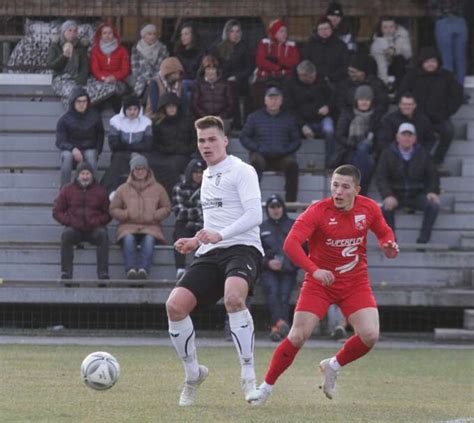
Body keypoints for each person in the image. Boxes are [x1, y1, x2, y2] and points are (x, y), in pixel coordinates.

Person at [247, 164, 399, 405]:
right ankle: (265, 388)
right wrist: (314, 270)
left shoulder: (368, 207)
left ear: (356, 190)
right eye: (335, 185)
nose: (338, 191)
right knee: (297, 336)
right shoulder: (317, 211)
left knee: (370, 335)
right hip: (319, 284)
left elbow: (384, 232)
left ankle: (333, 365)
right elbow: (291, 245)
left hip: (354, 283)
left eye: (345, 187)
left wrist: (389, 244)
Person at [166, 116, 264, 406]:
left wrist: (220, 235)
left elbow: (254, 216)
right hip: (212, 251)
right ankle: (193, 374)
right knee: (174, 306)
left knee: (234, 298)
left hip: (243, 247)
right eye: (201, 140)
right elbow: (215, 221)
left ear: (224, 141)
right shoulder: (207, 175)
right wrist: (196, 241)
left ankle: (248, 377)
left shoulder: (242, 170)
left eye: (211, 139)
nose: (206, 145)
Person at [398, 47, 463, 167]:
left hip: (440, 117)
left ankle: (436, 162)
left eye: (433, 61)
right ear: (422, 62)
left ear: (438, 62)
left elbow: (458, 96)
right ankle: (416, 163)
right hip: (416, 117)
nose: (430, 64)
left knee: (449, 132)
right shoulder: (412, 76)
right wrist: (409, 111)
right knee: (416, 137)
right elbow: (402, 94)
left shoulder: (446, 77)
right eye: (427, 61)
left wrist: (447, 112)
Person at [376, 123, 440, 244]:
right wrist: (388, 195)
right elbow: (381, 177)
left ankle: (423, 241)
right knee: (384, 209)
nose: (407, 138)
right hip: (396, 194)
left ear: (414, 138)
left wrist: (432, 191)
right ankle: (391, 242)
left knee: (433, 206)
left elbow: (432, 175)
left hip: (416, 195)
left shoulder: (423, 153)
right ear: (397, 137)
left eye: (410, 135)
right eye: (404, 135)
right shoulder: (387, 153)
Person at [109, 154, 171, 279]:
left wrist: (155, 215)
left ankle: (143, 269)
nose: (140, 172)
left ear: (147, 170)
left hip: (151, 227)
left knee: (149, 240)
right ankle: (131, 269)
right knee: (128, 239)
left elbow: (167, 207)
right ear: (132, 171)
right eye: (137, 169)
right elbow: (113, 209)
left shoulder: (158, 188)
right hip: (127, 226)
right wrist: (125, 214)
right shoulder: (122, 189)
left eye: (142, 169)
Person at [240, 86, 301, 202]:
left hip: (282, 156)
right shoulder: (254, 117)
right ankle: (251, 202)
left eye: (276, 98)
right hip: (261, 155)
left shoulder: (289, 118)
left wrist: (286, 149)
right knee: (254, 164)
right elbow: (244, 136)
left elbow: (296, 140)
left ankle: (291, 203)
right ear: (265, 100)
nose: (273, 101)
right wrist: (257, 148)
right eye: (271, 98)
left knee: (292, 165)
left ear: (281, 101)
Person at [53, 161, 111, 280]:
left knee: (103, 235)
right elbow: (57, 211)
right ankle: (66, 273)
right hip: (75, 228)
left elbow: (108, 213)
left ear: (92, 175)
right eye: (83, 173)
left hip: (94, 229)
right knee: (66, 235)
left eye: (88, 173)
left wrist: (98, 221)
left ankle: (103, 273)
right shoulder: (67, 189)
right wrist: (69, 221)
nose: (85, 176)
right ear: (78, 175)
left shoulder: (101, 191)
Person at [260, 194, 298, 342]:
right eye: (272, 207)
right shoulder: (261, 228)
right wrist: (268, 263)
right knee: (273, 292)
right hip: (268, 270)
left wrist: (291, 264)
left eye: (278, 206)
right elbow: (256, 252)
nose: (275, 210)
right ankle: (281, 324)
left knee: (284, 295)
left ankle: (277, 327)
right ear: (267, 209)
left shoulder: (293, 225)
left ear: (283, 208)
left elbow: (302, 248)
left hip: (289, 269)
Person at [283, 60, 335, 167]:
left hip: (322, 119)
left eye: (312, 76)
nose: (310, 79)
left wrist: (328, 107)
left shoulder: (322, 81)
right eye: (307, 77)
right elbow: (290, 110)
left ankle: (330, 163)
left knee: (329, 130)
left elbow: (334, 98)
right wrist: (302, 125)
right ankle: (292, 162)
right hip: (301, 120)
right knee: (290, 131)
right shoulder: (290, 85)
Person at [332, 85, 382, 195]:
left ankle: (357, 193)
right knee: (364, 158)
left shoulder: (376, 117)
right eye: (361, 99)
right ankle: (361, 193)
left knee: (366, 157)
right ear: (356, 101)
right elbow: (340, 135)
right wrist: (352, 144)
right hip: (349, 151)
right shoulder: (347, 114)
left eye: (367, 100)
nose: (364, 102)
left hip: (371, 151)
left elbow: (380, 138)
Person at [101, 96, 153, 195]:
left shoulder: (146, 122)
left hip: (140, 154)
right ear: (124, 109)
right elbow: (114, 145)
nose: (132, 112)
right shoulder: (116, 121)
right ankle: (112, 191)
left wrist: (127, 146)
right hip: (121, 155)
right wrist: (134, 146)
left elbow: (148, 145)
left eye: (135, 109)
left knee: (142, 161)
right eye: (129, 109)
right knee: (119, 160)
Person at [149, 92, 197, 196]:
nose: (171, 109)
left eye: (173, 106)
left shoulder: (188, 120)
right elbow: (155, 143)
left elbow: (195, 141)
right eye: (168, 106)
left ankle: (172, 195)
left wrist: (184, 150)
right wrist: (166, 150)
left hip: (183, 155)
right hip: (164, 154)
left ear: (177, 107)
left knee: (171, 166)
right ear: (164, 108)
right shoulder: (158, 123)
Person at [56, 87, 104, 187]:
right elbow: (60, 141)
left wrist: (98, 151)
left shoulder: (95, 117)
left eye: (84, 101)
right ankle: (64, 190)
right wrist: (73, 149)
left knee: (91, 154)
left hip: (89, 149)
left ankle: (96, 189)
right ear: (73, 102)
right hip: (71, 150)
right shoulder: (64, 119)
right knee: (66, 156)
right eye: (79, 101)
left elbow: (100, 135)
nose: (82, 104)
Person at [210, 19, 253, 129]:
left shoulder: (245, 47)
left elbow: (249, 68)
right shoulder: (219, 47)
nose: (235, 34)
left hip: (240, 80)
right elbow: (216, 66)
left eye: (237, 31)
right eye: (232, 31)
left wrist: (237, 77)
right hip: (223, 79)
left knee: (235, 89)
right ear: (227, 32)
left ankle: (238, 124)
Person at [171, 158, 205, 279]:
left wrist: (191, 211)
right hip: (185, 225)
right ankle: (180, 269)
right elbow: (179, 213)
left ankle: (200, 269)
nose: (198, 175)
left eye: (201, 172)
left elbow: (210, 211)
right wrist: (198, 211)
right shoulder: (179, 188)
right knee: (179, 230)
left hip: (202, 226)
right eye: (196, 172)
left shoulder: (208, 188)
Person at [48, 20, 89, 108]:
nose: (72, 33)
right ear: (63, 32)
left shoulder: (80, 47)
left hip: (76, 78)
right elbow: (52, 66)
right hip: (60, 78)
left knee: (83, 93)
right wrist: (64, 56)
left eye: (75, 31)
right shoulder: (55, 46)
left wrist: (79, 82)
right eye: (69, 30)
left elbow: (84, 66)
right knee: (73, 94)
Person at [90, 23, 130, 111]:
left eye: (110, 33)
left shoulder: (122, 50)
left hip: (118, 81)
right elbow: (95, 70)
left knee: (114, 94)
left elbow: (125, 70)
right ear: (100, 35)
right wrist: (105, 78)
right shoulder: (95, 51)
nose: (107, 35)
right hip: (101, 81)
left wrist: (114, 77)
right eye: (104, 33)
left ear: (114, 34)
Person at [335, 54, 389, 119]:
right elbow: (341, 104)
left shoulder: (377, 84)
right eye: (349, 71)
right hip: (350, 119)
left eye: (353, 72)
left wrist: (370, 116)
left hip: (373, 119)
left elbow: (382, 105)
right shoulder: (345, 84)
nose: (350, 74)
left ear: (362, 72)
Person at [428, 0, 468, 87]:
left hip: (443, 20)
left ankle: (449, 91)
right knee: (460, 60)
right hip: (459, 20)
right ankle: (459, 91)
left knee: (446, 60)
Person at [303, 17, 349, 87]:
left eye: (326, 29)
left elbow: (344, 65)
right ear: (317, 31)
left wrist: (331, 77)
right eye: (321, 29)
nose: (323, 32)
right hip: (314, 81)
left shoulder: (340, 45)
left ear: (331, 29)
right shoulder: (310, 44)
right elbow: (306, 62)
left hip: (335, 82)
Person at [192, 55, 234, 129]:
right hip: (203, 118)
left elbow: (230, 104)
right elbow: (195, 105)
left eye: (213, 69)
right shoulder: (198, 85)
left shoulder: (225, 84)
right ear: (204, 70)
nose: (210, 72)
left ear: (217, 70)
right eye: (208, 69)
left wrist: (220, 116)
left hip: (222, 119)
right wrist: (206, 117)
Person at [370, 17, 412, 90]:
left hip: (398, 66)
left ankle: (401, 89)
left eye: (391, 27)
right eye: (385, 27)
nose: (388, 30)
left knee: (400, 59)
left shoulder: (402, 35)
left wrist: (395, 50)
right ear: (381, 29)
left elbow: (408, 54)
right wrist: (385, 85)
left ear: (395, 27)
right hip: (382, 66)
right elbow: (381, 65)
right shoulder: (377, 42)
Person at [130, 23, 169, 98]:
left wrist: (152, 80)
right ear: (143, 36)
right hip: (140, 79)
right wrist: (145, 80)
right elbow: (135, 69)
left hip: (157, 79)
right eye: (149, 34)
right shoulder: (136, 49)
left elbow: (162, 67)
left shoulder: (162, 49)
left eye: (154, 34)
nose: (152, 37)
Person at [173, 22, 203, 110]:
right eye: (182, 34)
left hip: (196, 80)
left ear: (193, 35)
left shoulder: (201, 51)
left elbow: (200, 71)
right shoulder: (178, 51)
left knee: (184, 85)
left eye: (186, 34)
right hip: (182, 81)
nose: (183, 37)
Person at [145, 56, 185, 121]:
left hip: (175, 116)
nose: (177, 76)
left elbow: (183, 102)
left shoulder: (180, 84)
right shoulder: (155, 83)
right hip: (156, 116)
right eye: (174, 74)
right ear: (167, 74)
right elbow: (154, 106)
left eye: (178, 73)